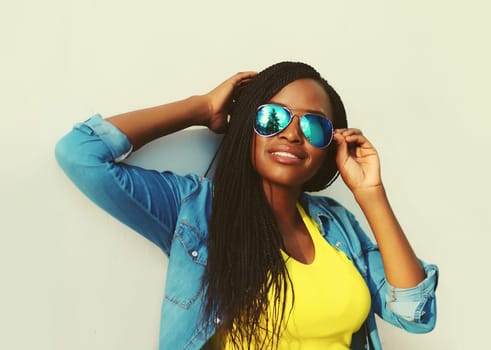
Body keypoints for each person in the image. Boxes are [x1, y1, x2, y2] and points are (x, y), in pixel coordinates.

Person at [55, 61, 438, 350]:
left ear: (329, 148)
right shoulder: (198, 210)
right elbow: (81, 154)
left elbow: (414, 314)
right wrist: (201, 107)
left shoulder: (336, 226)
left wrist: (371, 193)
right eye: (272, 117)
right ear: (246, 129)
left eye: (313, 126)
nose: (291, 133)